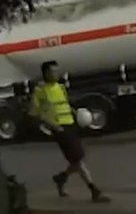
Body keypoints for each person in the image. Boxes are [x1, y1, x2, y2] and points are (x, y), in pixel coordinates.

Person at [32, 61, 109, 203]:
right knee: (78, 160)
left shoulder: (61, 87)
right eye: (53, 71)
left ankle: (61, 178)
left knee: (78, 158)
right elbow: (37, 113)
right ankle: (94, 190)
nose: (56, 74)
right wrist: (54, 127)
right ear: (45, 73)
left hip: (71, 124)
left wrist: (78, 114)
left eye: (57, 71)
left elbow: (65, 104)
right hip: (59, 128)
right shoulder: (40, 90)